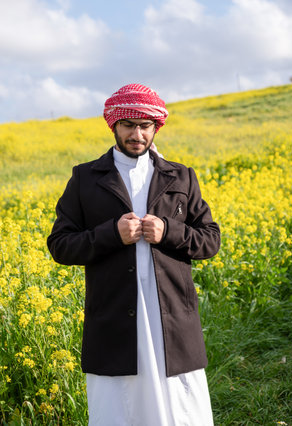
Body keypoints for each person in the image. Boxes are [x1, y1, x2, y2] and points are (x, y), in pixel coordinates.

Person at [47, 83, 221, 426]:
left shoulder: (182, 176)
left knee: (181, 409)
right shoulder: (85, 178)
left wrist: (168, 231)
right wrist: (111, 233)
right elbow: (61, 245)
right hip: (113, 316)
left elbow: (210, 240)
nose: (137, 134)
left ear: (156, 127)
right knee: (118, 408)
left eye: (145, 125)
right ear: (113, 125)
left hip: (172, 318)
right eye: (128, 125)